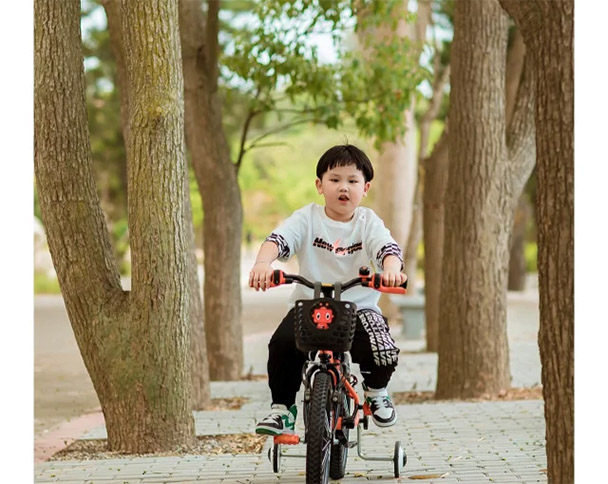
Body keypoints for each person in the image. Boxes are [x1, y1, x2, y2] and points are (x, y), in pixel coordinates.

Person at [250, 144, 407, 436]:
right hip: (309, 308)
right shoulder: (306, 218)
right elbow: (279, 239)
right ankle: (282, 411)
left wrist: (392, 270)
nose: (343, 187)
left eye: (352, 180)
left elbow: (387, 248)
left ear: (366, 188)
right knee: (282, 346)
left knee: (382, 349)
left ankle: (376, 391)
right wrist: (262, 263)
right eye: (335, 180)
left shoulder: (367, 222)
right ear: (319, 185)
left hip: (359, 308)